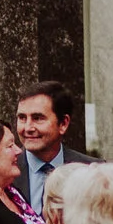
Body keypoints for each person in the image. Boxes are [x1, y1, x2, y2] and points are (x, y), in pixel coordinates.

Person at [11, 80, 96, 208]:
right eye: (22, 118)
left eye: (38, 118)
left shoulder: (92, 172)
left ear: (63, 124)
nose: (28, 128)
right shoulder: (5, 172)